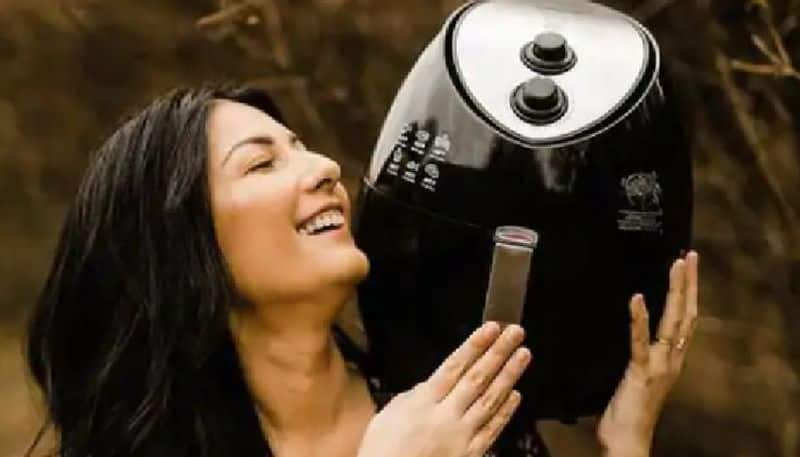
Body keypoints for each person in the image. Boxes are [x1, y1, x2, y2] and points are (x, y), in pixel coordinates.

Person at [25, 86, 700, 457]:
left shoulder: (451, 403)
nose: (322, 167)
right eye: (262, 163)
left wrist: (625, 440)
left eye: (301, 147)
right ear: (179, 247)